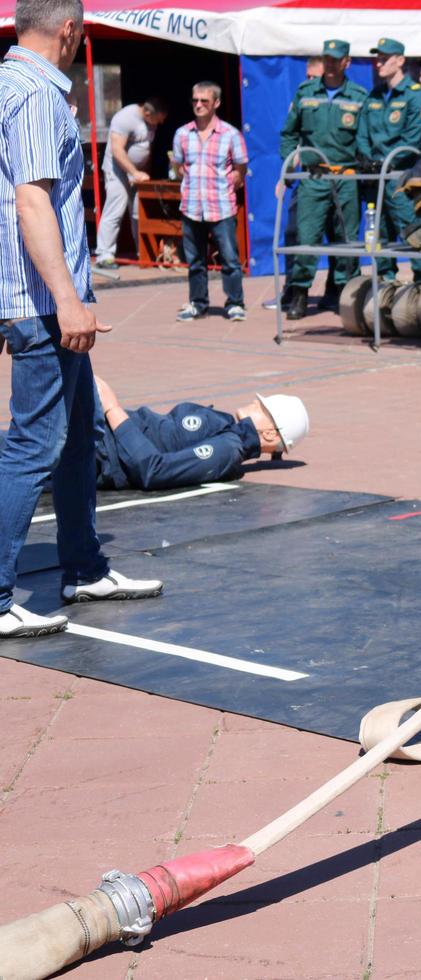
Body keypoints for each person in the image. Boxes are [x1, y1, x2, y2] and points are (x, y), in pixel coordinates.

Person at [0, 0, 163, 639]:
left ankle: (83, 566)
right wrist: (67, 299)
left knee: (74, 434)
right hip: (42, 300)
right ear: (69, 30)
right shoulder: (37, 94)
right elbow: (33, 200)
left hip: (32, 293)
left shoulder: (8, 83)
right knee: (35, 443)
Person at [278, 39, 369, 320]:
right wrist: (291, 159)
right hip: (314, 177)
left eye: (336, 59)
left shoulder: (358, 96)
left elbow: (364, 139)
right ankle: (300, 294)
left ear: (347, 63)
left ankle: (344, 294)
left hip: (346, 177)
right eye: (326, 58)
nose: (330, 64)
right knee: (307, 237)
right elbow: (289, 133)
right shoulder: (306, 92)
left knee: (346, 239)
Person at [92, 376, 309, 491]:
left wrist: (112, 408)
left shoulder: (228, 450)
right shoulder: (227, 429)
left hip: (97, 450)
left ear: (270, 434)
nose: (254, 402)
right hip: (97, 432)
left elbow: (154, 470)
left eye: (261, 408)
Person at [171, 81, 248, 323]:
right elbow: (178, 166)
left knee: (230, 260)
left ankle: (235, 303)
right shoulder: (183, 134)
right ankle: (198, 304)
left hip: (221, 206)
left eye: (204, 100)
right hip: (192, 206)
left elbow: (241, 167)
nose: (199, 105)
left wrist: (229, 184)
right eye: (195, 100)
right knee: (195, 262)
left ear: (216, 103)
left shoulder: (231, 134)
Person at [358, 38, 421, 285]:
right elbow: (362, 132)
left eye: (384, 59)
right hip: (376, 176)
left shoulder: (414, 96)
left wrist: (387, 161)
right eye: (377, 58)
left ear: (400, 61)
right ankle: (386, 284)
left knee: (413, 231)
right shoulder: (375, 95)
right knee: (378, 232)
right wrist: (370, 159)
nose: (379, 63)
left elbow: (413, 138)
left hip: (401, 175)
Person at [93, 96, 167, 270]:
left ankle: (144, 253)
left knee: (139, 211)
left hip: (138, 173)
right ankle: (104, 255)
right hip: (118, 169)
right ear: (148, 113)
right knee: (115, 209)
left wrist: (141, 173)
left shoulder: (150, 122)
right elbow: (117, 150)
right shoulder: (126, 117)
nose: (158, 124)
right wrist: (133, 173)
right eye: (157, 120)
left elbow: (145, 150)